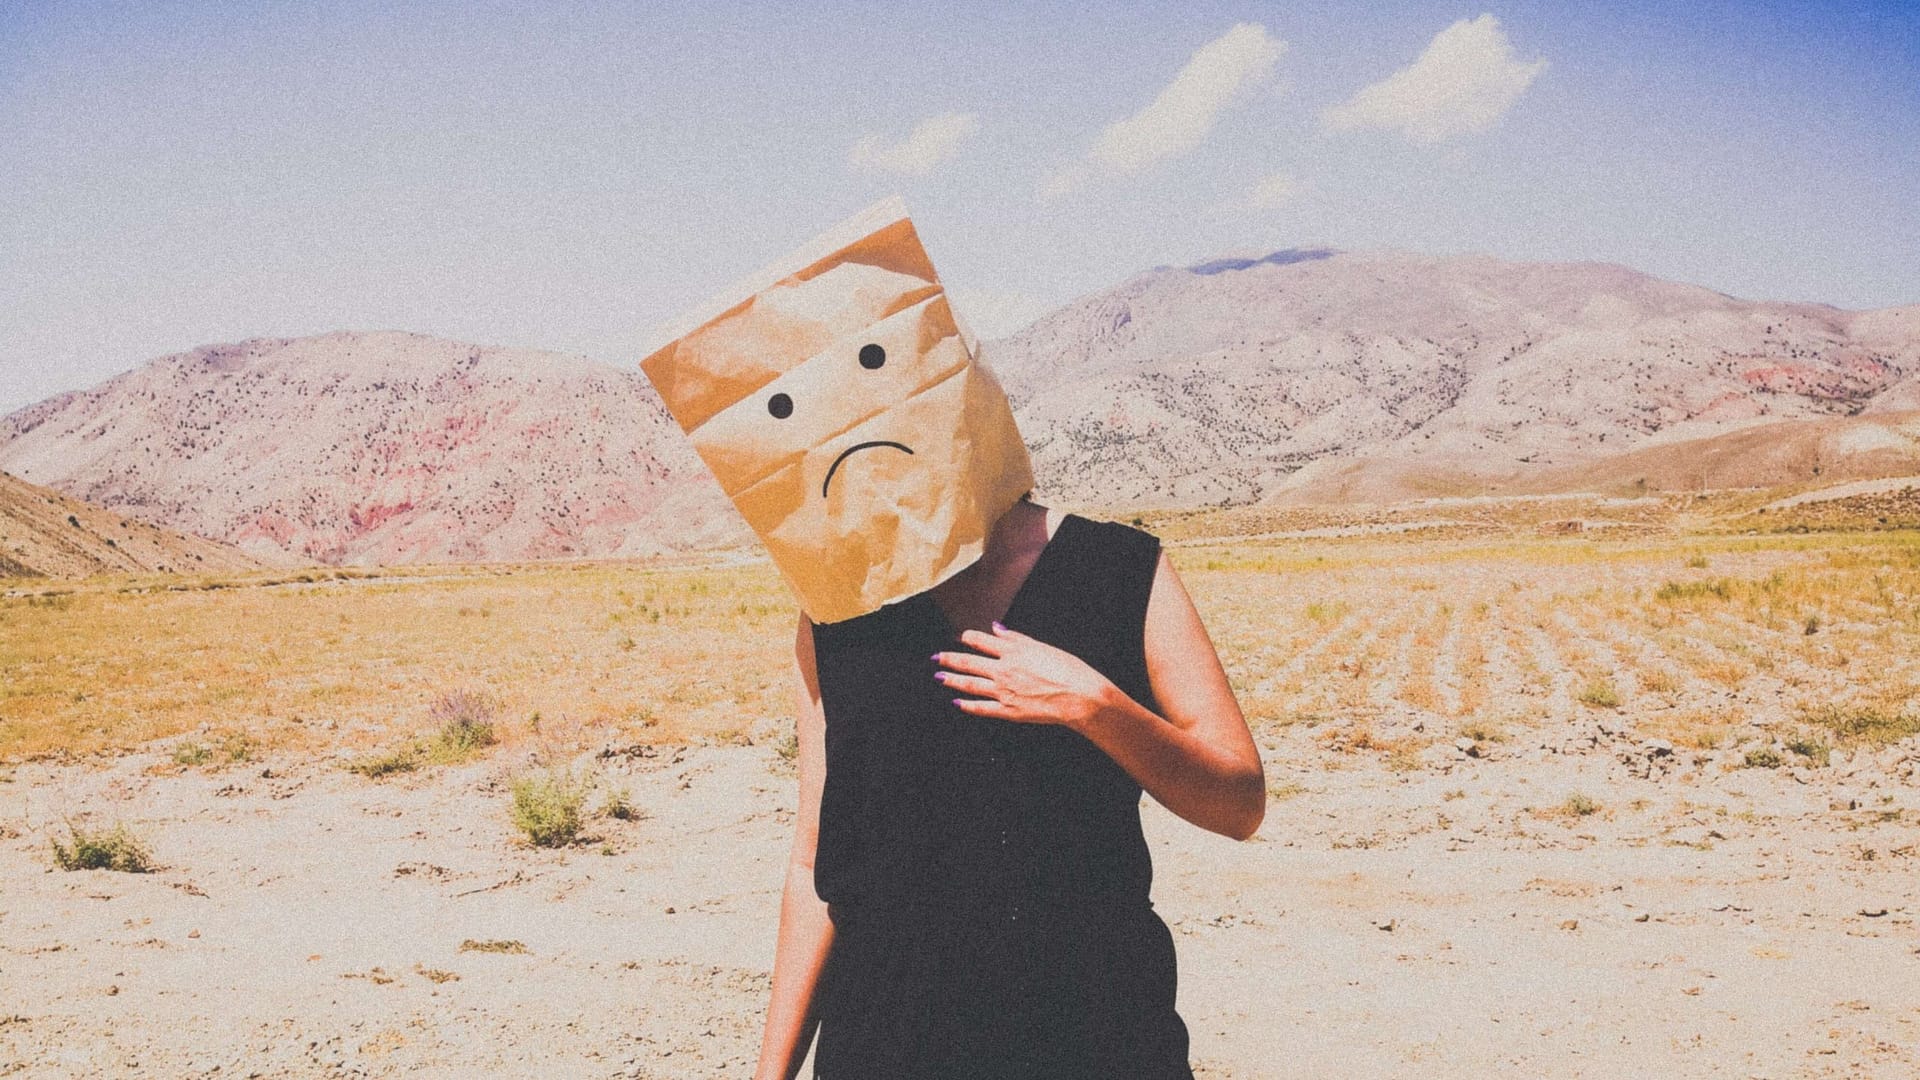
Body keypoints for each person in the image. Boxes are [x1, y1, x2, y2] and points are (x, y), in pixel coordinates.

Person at [751, 492, 1266, 1080]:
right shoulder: (840, 600)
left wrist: (1097, 707)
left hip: (1097, 1034)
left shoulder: (1118, 566)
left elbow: (1240, 803)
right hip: (887, 1040)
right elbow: (815, 861)